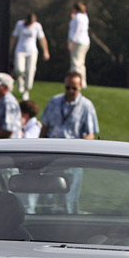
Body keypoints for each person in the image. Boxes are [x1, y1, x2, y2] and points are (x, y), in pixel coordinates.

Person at [40, 71, 99, 213]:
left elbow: (91, 134)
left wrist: (78, 148)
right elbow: (45, 127)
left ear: (80, 87)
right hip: (51, 155)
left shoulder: (86, 106)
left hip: (72, 157)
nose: (70, 91)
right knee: (46, 199)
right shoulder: (54, 101)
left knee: (68, 200)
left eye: (74, 88)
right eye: (68, 87)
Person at [10, 13, 49, 100]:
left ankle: (26, 90)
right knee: (19, 69)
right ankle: (20, 80)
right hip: (20, 50)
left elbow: (42, 39)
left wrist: (45, 51)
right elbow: (14, 37)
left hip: (32, 51)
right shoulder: (19, 24)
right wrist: (10, 48)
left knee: (30, 71)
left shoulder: (37, 26)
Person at [67, 1, 90, 88]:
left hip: (78, 42)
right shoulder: (84, 17)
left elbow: (76, 31)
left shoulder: (78, 18)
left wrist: (71, 41)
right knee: (81, 63)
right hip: (84, 42)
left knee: (76, 63)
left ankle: (76, 82)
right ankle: (82, 81)